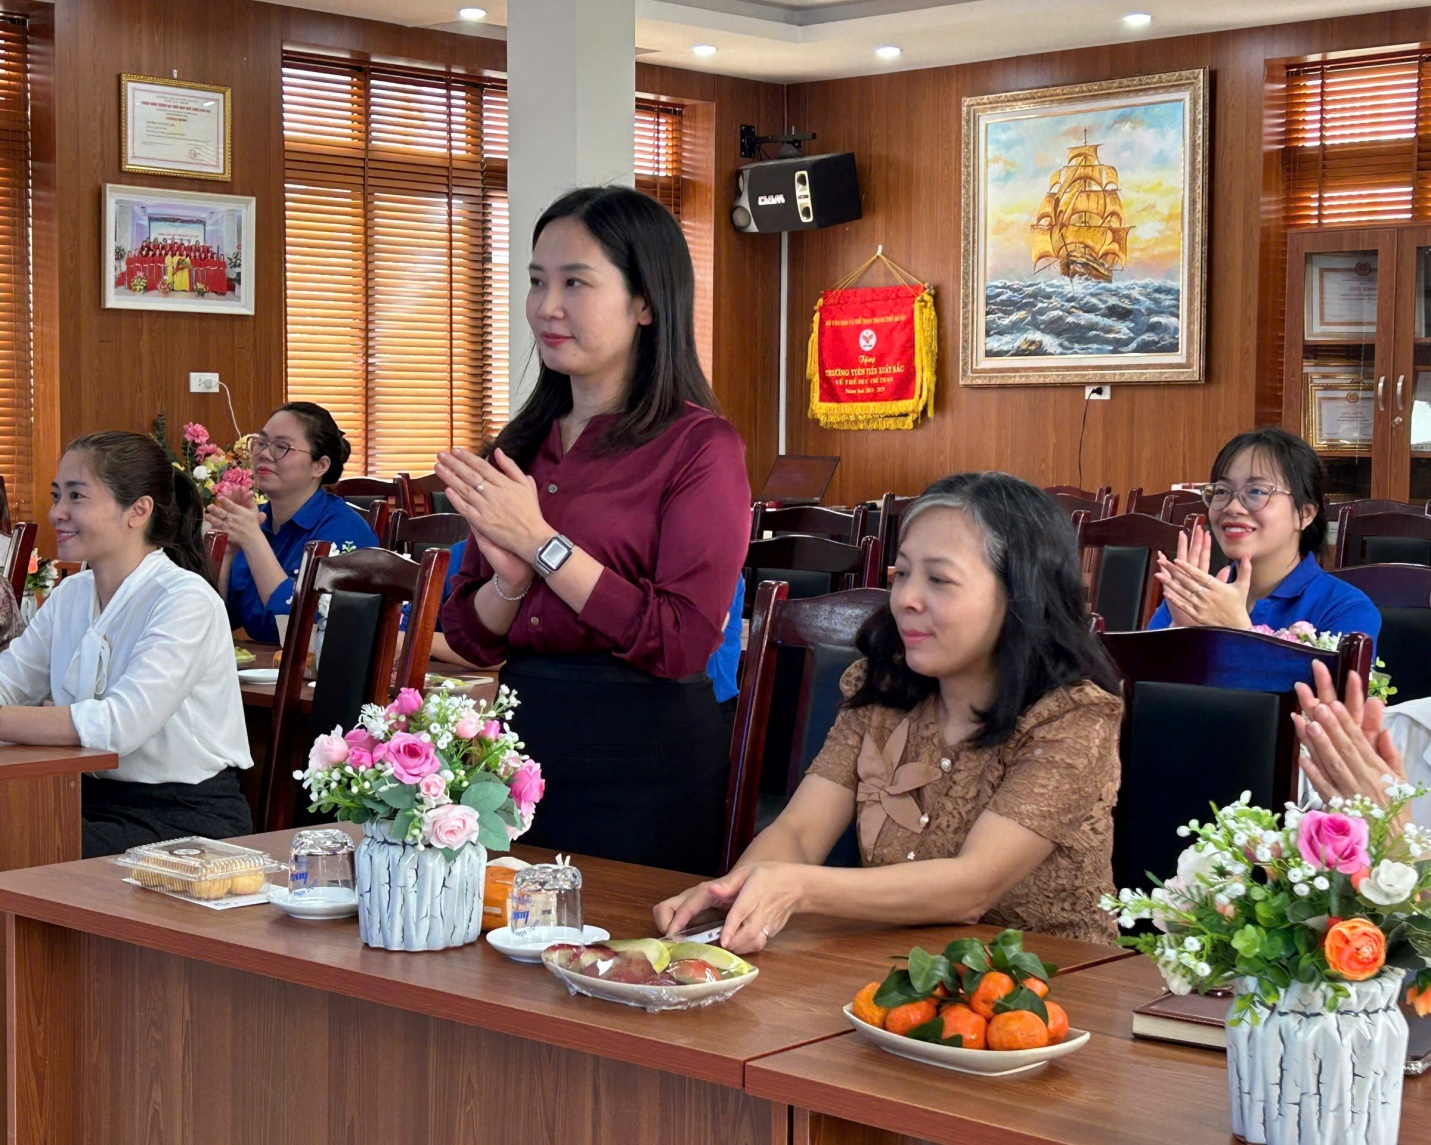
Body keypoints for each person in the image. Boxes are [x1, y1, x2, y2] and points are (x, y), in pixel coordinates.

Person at [655, 473, 1125, 952]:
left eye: (938, 580)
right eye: (902, 574)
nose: (905, 600)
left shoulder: (1072, 717)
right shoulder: (882, 688)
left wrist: (796, 888)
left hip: (1051, 978)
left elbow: (972, 888)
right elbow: (798, 833)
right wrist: (733, 897)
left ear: (1021, 594)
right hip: (897, 966)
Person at [437, 185, 751, 877]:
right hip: (521, 740)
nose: (546, 306)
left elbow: (682, 641)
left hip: (645, 754)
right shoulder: (521, 443)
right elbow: (470, 637)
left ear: (646, 303)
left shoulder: (701, 446)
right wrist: (511, 582)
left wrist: (543, 546)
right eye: (537, 281)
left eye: (575, 282)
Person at [0, 432, 253, 856]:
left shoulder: (185, 600)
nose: (57, 512)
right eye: (57, 495)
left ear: (138, 510)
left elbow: (120, 726)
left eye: (77, 496)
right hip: (83, 799)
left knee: (20, 847)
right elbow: (9, 682)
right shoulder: (71, 594)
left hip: (183, 821)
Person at [1150, 427, 1380, 646]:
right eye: (1221, 491)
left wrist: (1237, 629)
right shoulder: (1193, 596)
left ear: (1305, 514)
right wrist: (1180, 637)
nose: (1232, 507)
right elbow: (1140, 673)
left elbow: (1329, 677)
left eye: (1257, 491)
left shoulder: (1345, 609)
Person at [209, 402, 378, 644]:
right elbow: (217, 620)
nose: (264, 454)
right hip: (264, 661)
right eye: (261, 443)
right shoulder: (259, 519)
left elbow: (304, 630)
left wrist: (252, 539)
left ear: (320, 466)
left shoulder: (345, 531)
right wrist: (226, 553)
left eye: (281, 447)